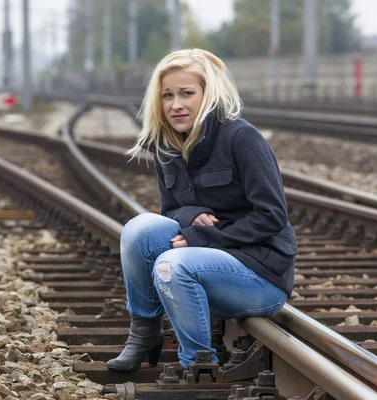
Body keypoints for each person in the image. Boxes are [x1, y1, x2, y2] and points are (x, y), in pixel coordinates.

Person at [106, 48, 298, 372]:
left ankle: (198, 369)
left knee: (170, 265)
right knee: (139, 230)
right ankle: (144, 333)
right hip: (211, 264)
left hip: (260, 276)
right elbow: (169, 212)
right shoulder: (166, 145)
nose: (175, 104)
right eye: (167, 95)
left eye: (186, 93)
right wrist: (187, 215)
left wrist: (205, 236)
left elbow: (272, 216)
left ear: (207, 95)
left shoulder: (242, 138)